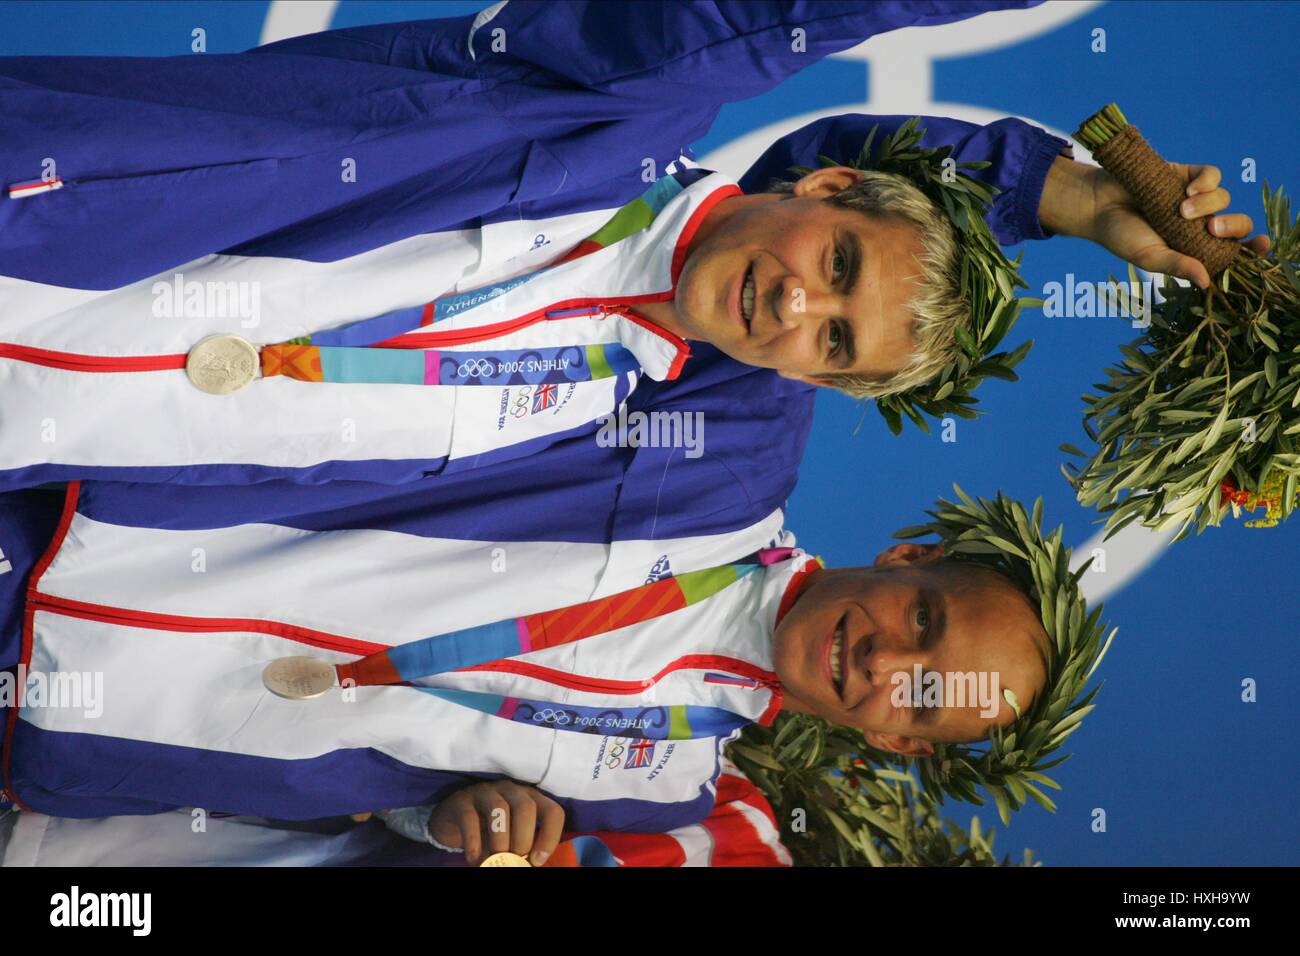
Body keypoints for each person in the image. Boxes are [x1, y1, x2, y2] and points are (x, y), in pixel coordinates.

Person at [0, 1, 1267, 490]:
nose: (792, 307)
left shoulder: (602, 422)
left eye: (832, 342)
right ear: (825, 181)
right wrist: (1064, 193)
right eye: (836, 265)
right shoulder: (612, 118)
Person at [0, 477, 1070, 856]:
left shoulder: (666, 792)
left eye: (920, 696)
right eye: (920, 615)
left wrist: (459, 820)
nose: (887, 656)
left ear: (894, 738)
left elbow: (390, 808)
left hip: (67, 749)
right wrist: (1050, 186)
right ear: (907, 556)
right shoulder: (714, 478)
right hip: (66, 553)